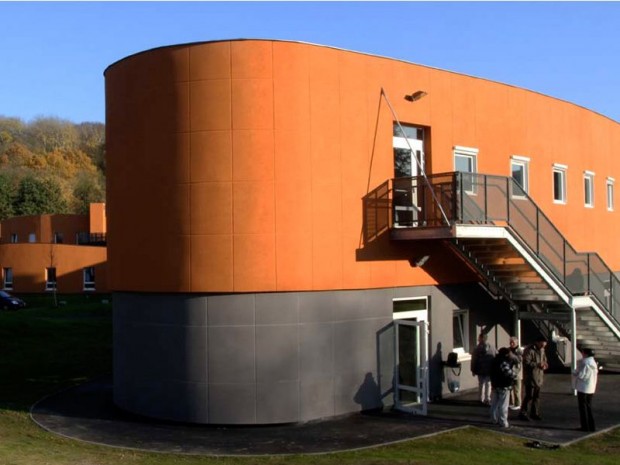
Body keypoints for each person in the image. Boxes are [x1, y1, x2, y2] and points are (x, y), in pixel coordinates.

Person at [519, 337, 548, 421]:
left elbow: (544, 359)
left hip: (539, 376)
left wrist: (545, 364)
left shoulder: (542, 350)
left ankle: (534, 413)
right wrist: (538, 364)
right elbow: (526, 363)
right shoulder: (529, 350)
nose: (543, 346)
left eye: (544, 345)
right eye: (542, 344)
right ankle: (523, 412)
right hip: (530, 377)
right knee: (529, 396)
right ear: (538, 342)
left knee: (536, 396)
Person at [490, 347, 517, 428]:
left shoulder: (494, 360)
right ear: (506, 354)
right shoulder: (503, 362)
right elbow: (510, 374)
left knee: (494, 404)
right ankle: (503, 422)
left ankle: (494, 419)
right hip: (504, 386)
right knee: (503, 405)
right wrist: (514, 375)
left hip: (495, 385)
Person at [572, 347, 598, 432]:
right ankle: (591, 426)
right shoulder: (593, 363)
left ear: (586, 354)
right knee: (588, 407)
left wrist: (575, 373)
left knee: (583, 408)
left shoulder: (585, 363)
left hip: (583, 388)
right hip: (591, 388)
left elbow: (582, 376)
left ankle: (585, 426)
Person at [471, 333, 496, 405]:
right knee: (488, 383)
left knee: (481, 384)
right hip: (489, 369)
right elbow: (495, 356)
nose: (478, 339)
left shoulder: (477, 348)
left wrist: (473, 370)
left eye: (479, 338)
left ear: (481, 338)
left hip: (480, 369)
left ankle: (480, 399)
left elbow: (474, 360)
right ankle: (487, 399)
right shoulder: (492, 347)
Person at [508, 336, 524, 411]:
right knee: (510, 389)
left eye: (513, 342)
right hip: (510, 372)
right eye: (510, 342)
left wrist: (511, 355)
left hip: (517, 373)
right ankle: (512, 402)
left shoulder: (519, 351)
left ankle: (518, 404)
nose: (511, 344)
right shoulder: (508, 350)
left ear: (516, 343)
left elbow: (519, 360)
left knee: (517, 389)